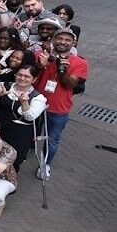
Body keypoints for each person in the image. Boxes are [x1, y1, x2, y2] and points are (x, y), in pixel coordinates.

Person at [33, 28, 87, 180]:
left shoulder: (79, 62)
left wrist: (63, 71)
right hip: (36, 103)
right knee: (30, 133)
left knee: (52, 139)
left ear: (74, 43)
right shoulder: (41, 55)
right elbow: (30, 76)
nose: (63, 42)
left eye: (67, 40)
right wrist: (40, 65)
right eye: (60, 38)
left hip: (59, 108)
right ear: (53, 40)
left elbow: (70, 85)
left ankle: (45, 164)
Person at [0, 65, 47, 170]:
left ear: (34, 79)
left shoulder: (37, 98)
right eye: (20, 75)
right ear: (15, 75)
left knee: (12, 162)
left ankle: (5, 183)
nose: (22, 78)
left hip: (19, 134)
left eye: (27, 76)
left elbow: (30, 117)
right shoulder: (3, 85)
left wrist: (24, 102)